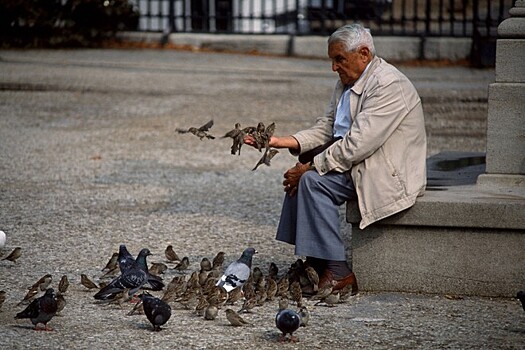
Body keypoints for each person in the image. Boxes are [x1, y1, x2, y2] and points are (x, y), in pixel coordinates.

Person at [245, 24, 427, 294]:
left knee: (310, 181)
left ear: (363, 53)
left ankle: (339, 271)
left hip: (385, 172)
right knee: (302, 177)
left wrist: (310, 166)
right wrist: (283, 142)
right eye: (332, 59)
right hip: (359, 164)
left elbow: (357, 144)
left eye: (339, 59)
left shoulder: (388, 84)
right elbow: (328, 127)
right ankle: (315, 264)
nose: (334, 67)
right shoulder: (349, 80)